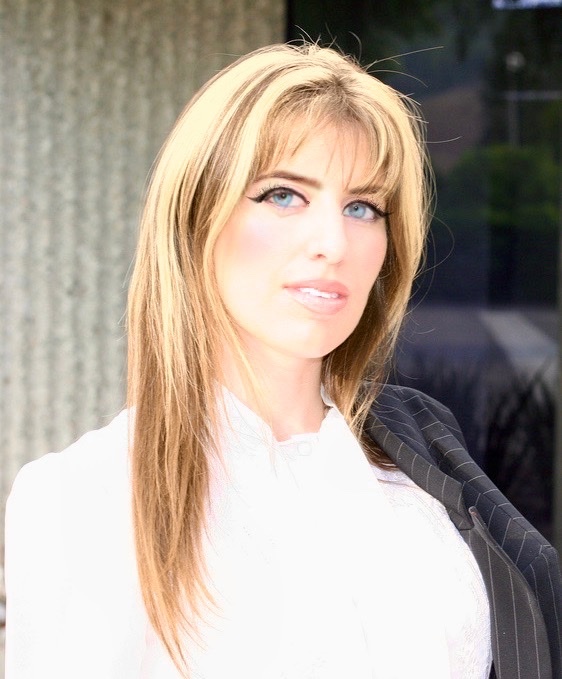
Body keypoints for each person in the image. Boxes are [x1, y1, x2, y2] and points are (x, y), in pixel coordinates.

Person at [4, 43, 561, 679]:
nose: (333, 243)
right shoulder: (86, 497)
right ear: (196, 217)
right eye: (284, 195)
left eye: (362, 207)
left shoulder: (420, 452)